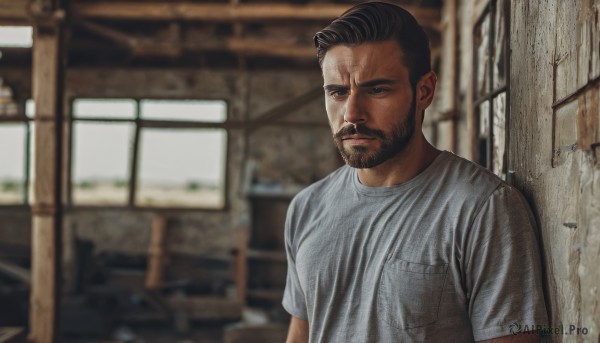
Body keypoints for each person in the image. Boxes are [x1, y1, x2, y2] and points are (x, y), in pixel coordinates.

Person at [282, 2, 548, 342]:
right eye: (337, 92)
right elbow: (300, 335)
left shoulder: (484, 209)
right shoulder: (306, 207)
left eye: (376, 89)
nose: (351, 113)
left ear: (424, 91)